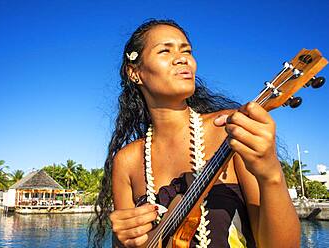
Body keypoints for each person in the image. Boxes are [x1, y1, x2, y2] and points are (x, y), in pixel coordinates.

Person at [88, 19, 300, 247]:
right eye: (165, 50)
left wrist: (271, 176)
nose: (183, 58)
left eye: (186, 50)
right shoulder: (127, 161)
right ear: (135, 73)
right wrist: (123, 240)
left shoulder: (230, 128)